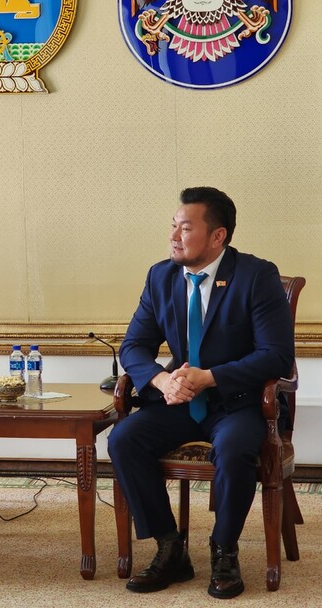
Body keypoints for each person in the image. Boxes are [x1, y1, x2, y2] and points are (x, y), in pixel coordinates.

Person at [108, 187, 294, 599]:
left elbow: (276, 357)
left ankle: (224, 551)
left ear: (217, 236)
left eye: (185, 227)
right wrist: (161, 380)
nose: (174, 235)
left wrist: (210, 377)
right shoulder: (161, 276)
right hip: (179, 402)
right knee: (124, 438)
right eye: (173, 225)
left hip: (239, 403)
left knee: (232, 450)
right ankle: (170, 547)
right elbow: (134, 346)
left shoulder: (255, 276)